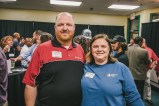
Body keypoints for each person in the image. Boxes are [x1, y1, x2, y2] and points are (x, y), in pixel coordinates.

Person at [22, 12, 85, 106]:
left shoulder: (80, 49)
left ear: (74, 27)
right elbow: (31, 84)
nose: (64, 28)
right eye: (60, 25)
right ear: (55, 27)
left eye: (68, 24)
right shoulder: (42, 49)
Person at [81, 34, 144, 106]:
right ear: (91, 49)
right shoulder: (85, 66)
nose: (99, 49)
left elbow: (133, 97)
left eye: (103, 46)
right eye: (95, 46)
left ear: (109, 49)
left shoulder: (121, 68)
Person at [142, 38, 158, 105]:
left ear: (144, 43)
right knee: (138, 84)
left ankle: (148, 98)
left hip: (146, 70)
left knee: (147, 84)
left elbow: (156, 59)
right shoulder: (137, 50)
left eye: (141, 42)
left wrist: (152, 65)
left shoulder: (149, 50)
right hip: (137, 70)